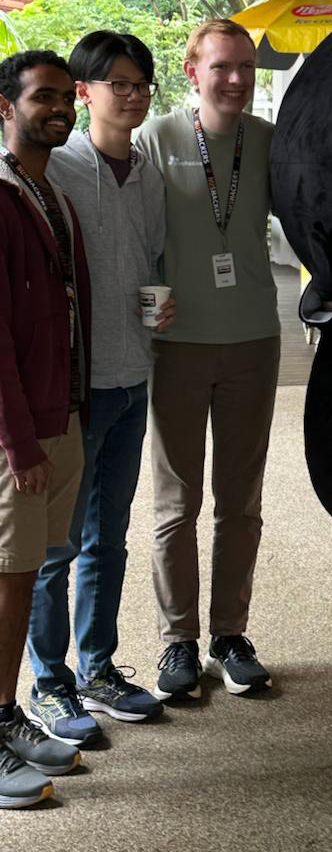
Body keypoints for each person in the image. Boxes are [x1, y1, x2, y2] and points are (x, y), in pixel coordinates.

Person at [25, 32, 173, 747]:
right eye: (117, 82)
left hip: (131, 378)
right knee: (54, 547)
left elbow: (151, 263)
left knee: (107, 538)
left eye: (141, 80)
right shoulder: (55, 172)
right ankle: (48, 684)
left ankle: (98, 667)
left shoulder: (148, 173)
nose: (134, 92)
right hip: (74, 392)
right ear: (85, 94)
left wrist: (159, 303)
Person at [137, 19, 280, 702]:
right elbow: (134, 237)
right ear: (192, 71)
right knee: (176, 500)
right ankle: (177, 641)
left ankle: (229, 634)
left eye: (246, 67)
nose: (237, 80)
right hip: (178, 344)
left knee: (241, 500)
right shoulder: (158, 138)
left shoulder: (269, 142)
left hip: (254, 337)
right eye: (222, 67)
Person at [0, 51, 91, 806]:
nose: (58, 107)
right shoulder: (0, 195)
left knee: (24, 573)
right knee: (4, 576)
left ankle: (8, 713)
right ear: (6, 105)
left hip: (59, 412)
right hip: (15, 430)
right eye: (42, 97)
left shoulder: (50, 193)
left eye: (65, 97)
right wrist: (20, 441)